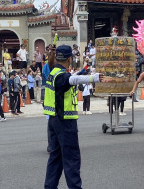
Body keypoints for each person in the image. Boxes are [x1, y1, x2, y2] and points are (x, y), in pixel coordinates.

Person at [44, 45, 103, 188]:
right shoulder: (61, 76)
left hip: (53, 120)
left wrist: (80, 73)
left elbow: (70, 78)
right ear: (70, 59)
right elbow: (71, 80)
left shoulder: (54, 72)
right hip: (65, 122)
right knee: (72, 159)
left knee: (55, 159)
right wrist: (94, 77)